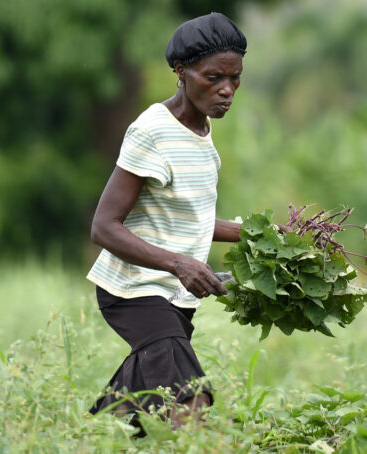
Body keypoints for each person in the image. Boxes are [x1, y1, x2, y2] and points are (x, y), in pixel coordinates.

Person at [86, 12, 247, 431]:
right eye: (214, 78)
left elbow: (193, 219)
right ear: (181, 71)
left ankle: (86, 438)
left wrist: (266, 236)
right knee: (190, 399)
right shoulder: (152, 131)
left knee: (137, 406)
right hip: (134, 292)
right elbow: (104, 227)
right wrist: (179, 263)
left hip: (177, 296)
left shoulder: (203, 131)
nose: (227, 90)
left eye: (235, 79)